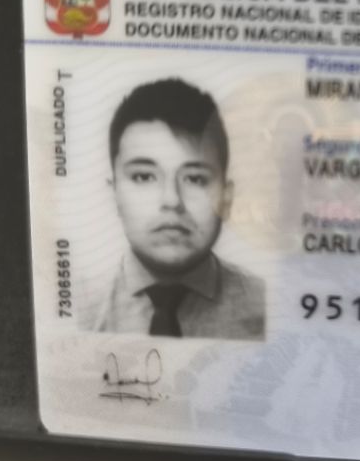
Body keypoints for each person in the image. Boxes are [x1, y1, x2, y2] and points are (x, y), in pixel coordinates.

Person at [87, 78, 264, 339]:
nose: (171, 200)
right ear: (114, 194)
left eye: (195, 179)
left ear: (226, 199)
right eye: (144, 177)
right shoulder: (79, 311)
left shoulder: (267, 311)